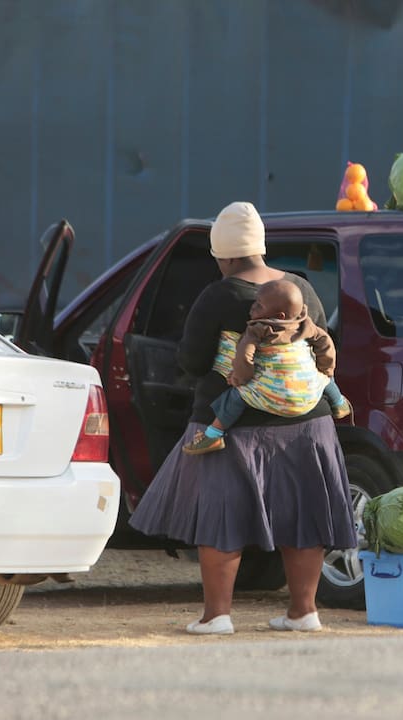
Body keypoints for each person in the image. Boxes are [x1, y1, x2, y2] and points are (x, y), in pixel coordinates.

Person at [129, 200, 358, 635]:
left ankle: (217, 616)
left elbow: (193, 362)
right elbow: (319, 345)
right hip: (306, 422)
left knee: (221, 518)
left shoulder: (218, 295)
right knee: (305, 514)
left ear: (228, 255)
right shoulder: (301, 288)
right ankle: (303, 612)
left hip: (233, 425)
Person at [182, 278, 350, 456]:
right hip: (308, 398)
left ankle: (213, 435)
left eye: (259, 306)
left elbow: (244, 355)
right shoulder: (306, 325)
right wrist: (326, 367)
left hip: (272, 396)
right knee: (324, 379)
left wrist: (240, 378)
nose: (252, 308)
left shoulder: (259, 329)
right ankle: (339, 403)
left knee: (235, 397)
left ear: (280, 316)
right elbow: (325, 343)